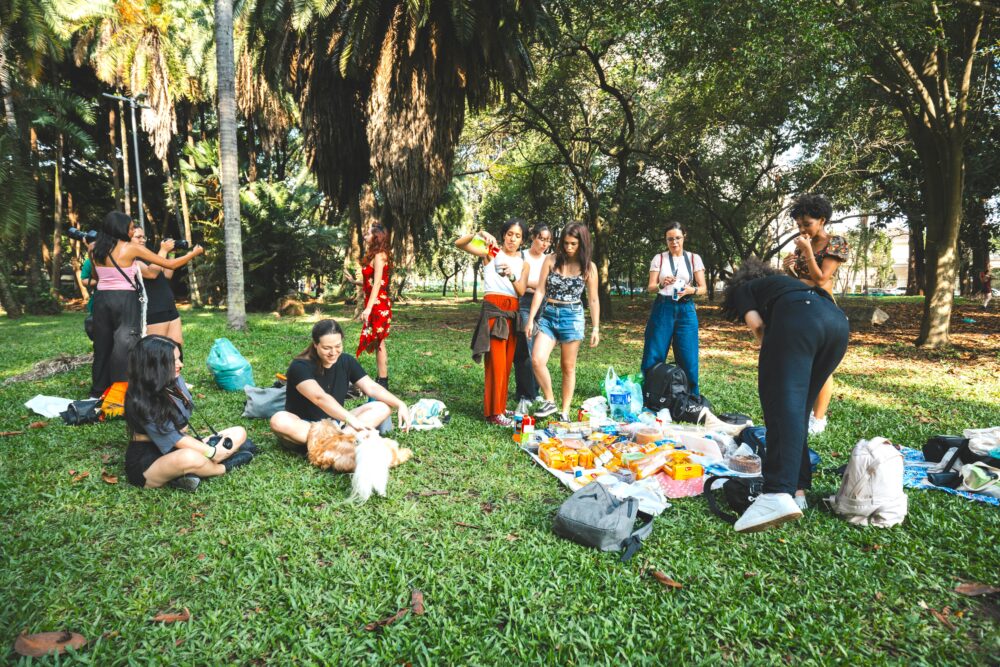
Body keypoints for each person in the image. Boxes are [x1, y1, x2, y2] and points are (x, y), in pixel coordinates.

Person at [721, 257, 849, 532]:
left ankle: (777, 494)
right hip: (837, 325)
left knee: (782, 406)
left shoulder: (746, 289)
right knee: (798, 410)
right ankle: (798, 489)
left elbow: (757, 327)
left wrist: (776, 354)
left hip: (799, 321)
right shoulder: (787, 285)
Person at [90, 211, 203, 398]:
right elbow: (171, 265)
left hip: (101, 299)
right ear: (121, 228)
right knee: (124, 346)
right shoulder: (129, 248)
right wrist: (194, 253)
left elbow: (96, 276)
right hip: (124, 300)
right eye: (131, 227)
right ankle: (123, 393)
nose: (133, 230)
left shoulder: (94, 248)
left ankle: (98, 391)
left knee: (102, 344)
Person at [124, 335, 253, 492]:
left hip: (180, 445)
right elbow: (176, 439)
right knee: (189, 457)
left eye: (179, 358)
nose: (181, 364)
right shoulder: (141, 400)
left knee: (239, 432)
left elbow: (182, 428)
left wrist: (208, 449)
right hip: (149, 461)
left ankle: (186, 475)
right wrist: (213, 453)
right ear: (154, 365)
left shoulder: (174, 380)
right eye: (174, 361)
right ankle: (224, 466)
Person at [269, 319, 412, 450]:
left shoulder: (346, 361)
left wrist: (400, 404)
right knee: (279, 420)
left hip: (337, 424)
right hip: (307, 426)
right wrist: (351, 420)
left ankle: (338, 441)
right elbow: (319, 398)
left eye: (338, 346)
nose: (333, 352)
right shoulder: (299, 366)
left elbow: (371, 387)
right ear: (315, 344)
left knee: (382, 407)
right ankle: (343, 441)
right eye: (326, 348)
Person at [782, 193, 848, 435]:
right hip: (801, 309)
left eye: (807, 224)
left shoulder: (836, 243)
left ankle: (819, 419)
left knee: (823, 367)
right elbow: (800, 281)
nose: (803, 229)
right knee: (803, 364)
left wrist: (808, 251)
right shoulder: (802, 246)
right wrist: (788, 269)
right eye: (799, 225)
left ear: (822, 220)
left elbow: (821, 279)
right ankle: (802, 411)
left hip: (824, 310)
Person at [456, 219, 528, 427]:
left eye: (517, 236)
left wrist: (512, 275)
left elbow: (521, 291)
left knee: (506, 364)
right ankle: (493, 412)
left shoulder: (523, 263)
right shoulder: (492, 252)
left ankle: (501, 406)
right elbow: (460, 244)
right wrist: (479, 234)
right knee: (495, 363)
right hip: (495, 311)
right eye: (509, 234)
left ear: (522, 240)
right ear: (503, 234)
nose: (512, 239)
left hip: (513, 313)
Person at [525, 222, 600, 421]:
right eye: (566, 243)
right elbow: (540, 290)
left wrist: (596, 328)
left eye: (574, 244)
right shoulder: (551, 260)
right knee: (537, 359)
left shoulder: (589, 267)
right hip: (548, 314)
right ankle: (550, 400)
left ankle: (564, 412)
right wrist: (531, 319)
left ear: (582, 244)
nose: (568, 247)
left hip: (573, 317)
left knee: (568, 367)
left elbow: (593, 299)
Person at [640, 222, 707, 395]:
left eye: (677, 238)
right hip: (663, 307)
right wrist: (662, 283)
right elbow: (650, 287)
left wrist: (691, 290)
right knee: (654, 353)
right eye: (670, 239)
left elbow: (703, 288)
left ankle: (691, 397)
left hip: (686, 308)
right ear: (666, 240)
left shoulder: (694, 258)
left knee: (688, 355)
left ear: (684, 237)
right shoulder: (659, 258)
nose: (674, 242)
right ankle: (649, 394)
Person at [513, 224, 552, 414]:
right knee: (524, 349)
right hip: (523, 304)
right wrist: (534, 284)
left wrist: (527, 283)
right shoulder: (522, 256)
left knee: (537, 351)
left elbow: (547, 285)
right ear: (533, 237)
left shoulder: (549, 260)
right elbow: (516, 283)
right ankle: (526, 393)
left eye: (548, 240)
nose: (544, 243)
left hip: (542, 305)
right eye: (541, 238)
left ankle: (531, 391)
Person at [355, 223, 392, 392]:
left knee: (379, 342)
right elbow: (370, 282)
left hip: (378, 304)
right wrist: (353, 281)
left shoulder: (380, 255)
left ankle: (383, 381)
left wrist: (369, 308)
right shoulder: (373, 255)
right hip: (373, 302)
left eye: (368, 234)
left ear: (376, 236)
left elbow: (378, 283)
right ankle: (381, 379)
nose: (365, 236)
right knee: (377, 341)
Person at [133, 230, 187, 346]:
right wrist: (163, 250)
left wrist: (171, 253)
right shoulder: (131, 259)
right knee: (157, 349)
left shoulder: (150, 255)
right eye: (138, 237)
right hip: (153, 308)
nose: (142, 240)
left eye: (143, 237)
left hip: (168, 305)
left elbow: (168, 274)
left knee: (177, 346)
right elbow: (151, 274)